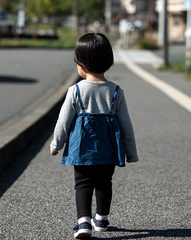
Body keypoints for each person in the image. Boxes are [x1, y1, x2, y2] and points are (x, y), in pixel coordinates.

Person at [50, 32, 139, 239]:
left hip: (82, 148)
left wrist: (56, 144)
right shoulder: (116, 91)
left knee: (83, 183)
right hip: (108, 149)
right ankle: (101, 218)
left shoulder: (75, 91)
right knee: (104, 182)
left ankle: (83, 223)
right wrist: (131, 153)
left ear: (80, 65)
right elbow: (126, 125)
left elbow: (63, 122)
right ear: (109, 62)